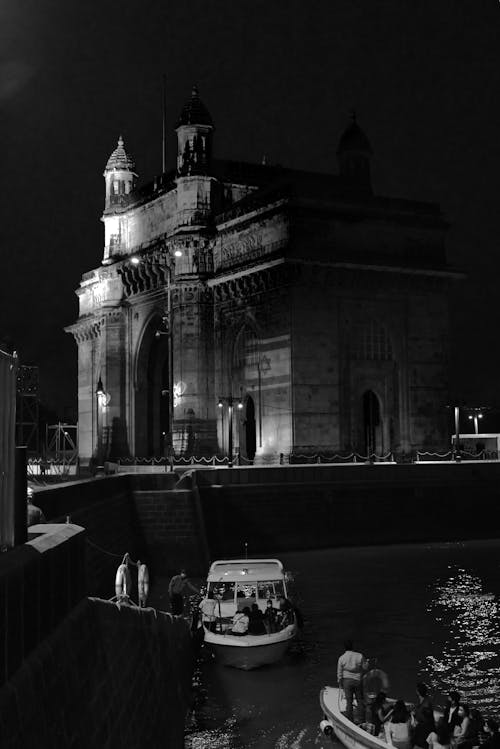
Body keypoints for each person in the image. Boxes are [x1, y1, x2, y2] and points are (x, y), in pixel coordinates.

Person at [337, 639, 367, 723]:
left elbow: (339, 673)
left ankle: (349, 720)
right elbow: (365, 667)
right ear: (352, 646)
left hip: (347, 682)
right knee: (360, 700)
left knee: (349, 701)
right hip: (358, 680)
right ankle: (362, 720)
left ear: (344, 647)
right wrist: (366, 663)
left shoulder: (341, 658)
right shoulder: (359, 656)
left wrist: (340, 683)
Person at [412, 682, 436, 749]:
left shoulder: (425, 704)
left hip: (424, 729)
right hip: (425, 726)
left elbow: (424, 718)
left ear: (418, 692)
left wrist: (415, 717)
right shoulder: (425, 700)